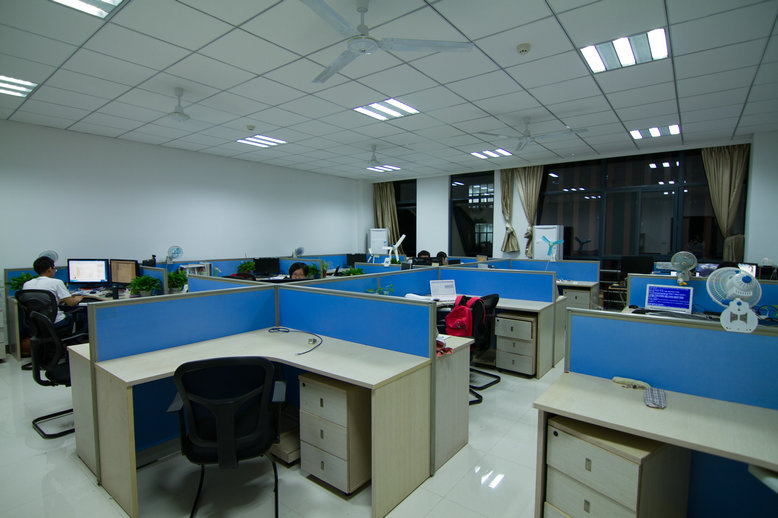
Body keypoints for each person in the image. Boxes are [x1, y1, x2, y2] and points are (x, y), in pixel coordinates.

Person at [23, 256, 87, 333]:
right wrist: (77, 299)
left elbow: (42, 302)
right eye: (54, 269)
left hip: (36, 322)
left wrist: (59, 300)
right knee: (83, 317)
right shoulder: (56, 282)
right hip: (55, 322)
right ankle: (76, 340)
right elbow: (71, 303)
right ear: (50, 269)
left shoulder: (27, 284)